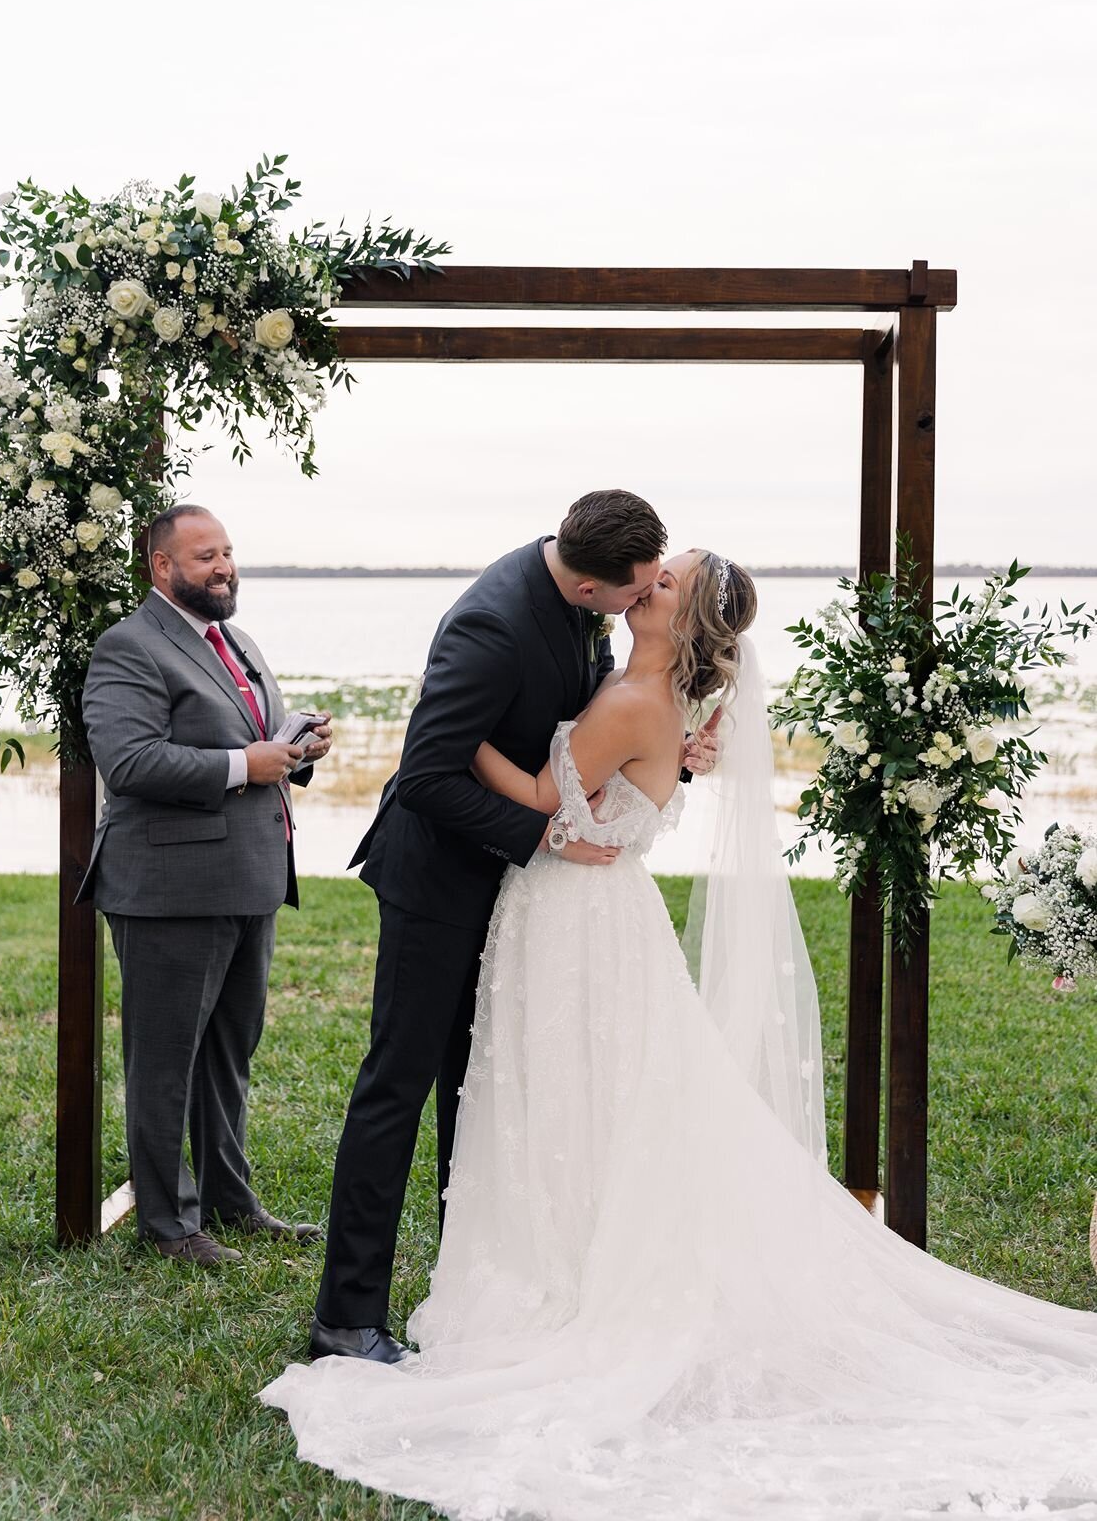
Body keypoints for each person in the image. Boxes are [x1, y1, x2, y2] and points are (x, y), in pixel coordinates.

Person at [265, 549, 1097, 1520]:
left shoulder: (631, 697)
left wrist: (433, 739)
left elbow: (544, 795)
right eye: (644, 573)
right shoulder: (636, 683)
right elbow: (617, 777)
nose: (645, 584)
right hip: (584, 912)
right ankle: (522, 1263)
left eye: (663, 583)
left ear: (678, 614)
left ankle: (546, 1277)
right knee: (571, 1096)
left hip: (574, 919)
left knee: (561, 1091)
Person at [311, 490, 687, 1364]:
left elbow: (582, 730)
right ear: (589, 580)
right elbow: (429, 774)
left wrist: (667, 759)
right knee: (397, 1085)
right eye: (629, 595)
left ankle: (475, 1281)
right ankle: (344, 1312)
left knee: (479, 1088)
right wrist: (544, 833)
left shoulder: (588, 604)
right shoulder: (490, 624)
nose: (640, 604)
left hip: (517, 896)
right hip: (438, 882)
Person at [79, 504, 333, 1267]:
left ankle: (230, 1200)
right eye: (203, 558)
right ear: (162, 569)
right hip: (167, 886)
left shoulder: (238, 641)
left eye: (226, 552)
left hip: (248, 880)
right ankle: (168, 1224)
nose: (223, 567)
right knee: (164, 1062)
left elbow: (257, 744)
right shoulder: (128, 647)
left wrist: (299, 750)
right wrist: (240, 766)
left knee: (229, 1053)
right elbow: (127, 763)